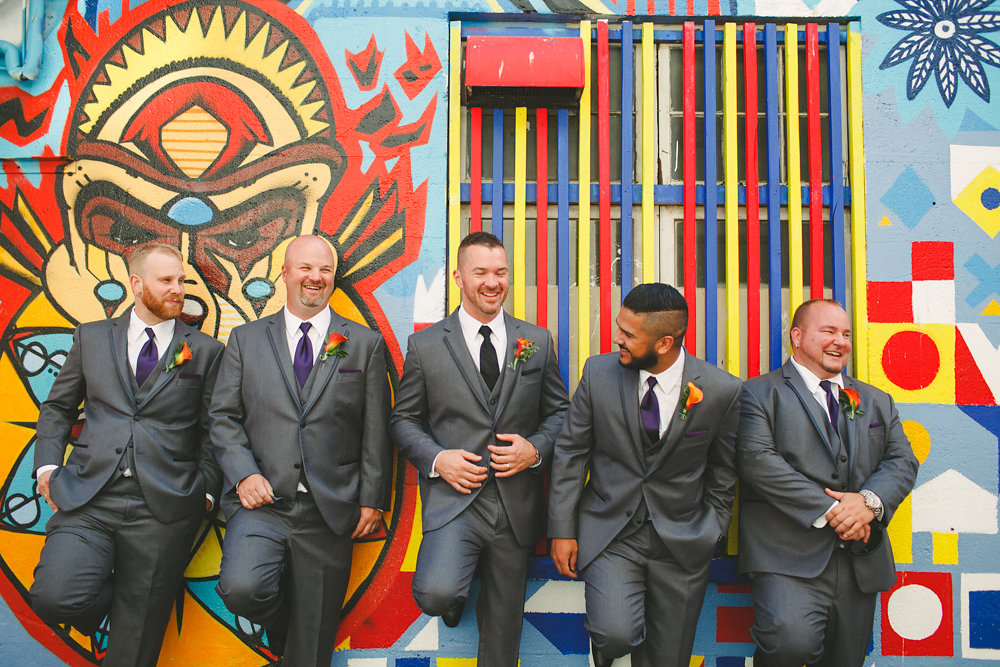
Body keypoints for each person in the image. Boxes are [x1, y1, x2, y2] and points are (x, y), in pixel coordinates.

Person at [30, 242, 224, 667]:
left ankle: (137, 612)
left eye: (182, 280)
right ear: (136, 283)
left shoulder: (206, 351)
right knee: (54, 595)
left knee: (134, 649)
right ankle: (123, 605)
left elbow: (215, 429)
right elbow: (59, 407)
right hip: (89, 496)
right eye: (166, 280)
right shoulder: (92, 337)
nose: (178, 289)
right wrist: (46, 466)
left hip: (165, 508)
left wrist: (206, 493)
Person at [209, 234, 392, 666]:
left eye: (325, 270)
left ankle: (307, 627)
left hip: (330, 509)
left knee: (312, 649)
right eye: (306, 268)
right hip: (262, 504)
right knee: (241, 589)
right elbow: (222, 417)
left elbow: (376, 428)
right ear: (285, 273)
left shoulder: (364, 344)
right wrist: (244, 473)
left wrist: (373, 499)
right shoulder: (246, 339)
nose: (316, 277)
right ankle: (294, 619)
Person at [390, 231, 568, 666]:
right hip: (456, 501)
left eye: (501, 272)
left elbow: (561, 414)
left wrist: (535, 450)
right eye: (481, 272)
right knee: (436, 593)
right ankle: (456, 593)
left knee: (504, 629)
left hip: (515, 504)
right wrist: (438, 459)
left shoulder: (537, 341)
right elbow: (402, 420)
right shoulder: (426, 345)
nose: (493, 282)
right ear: (459, 277)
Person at [549, 283, 742, 667]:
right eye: (619, 327)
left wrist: (713, 528)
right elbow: (571, 451)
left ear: (665, 343)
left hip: (683, 541)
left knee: (669, 658)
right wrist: (562, 530)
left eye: (628, 334)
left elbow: (724, 469)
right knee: (614, 633)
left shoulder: (722, 390)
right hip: (611, 533)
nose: (616, 338)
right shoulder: (598, 373)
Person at [737, 298, 919, 667]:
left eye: (846, 334)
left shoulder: (877, 400)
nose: (841, 341)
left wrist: (867, 502)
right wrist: (836, 510)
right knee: (789, 645)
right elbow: (757, 462)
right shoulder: (758, 393)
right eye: (829, 331)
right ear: (797, 336)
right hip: (786, 556)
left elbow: (902, 461)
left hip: (859, 559)